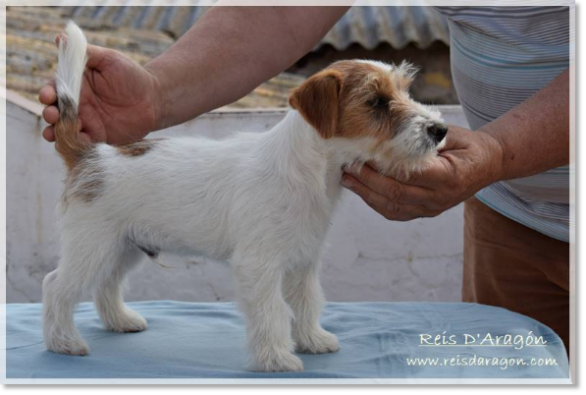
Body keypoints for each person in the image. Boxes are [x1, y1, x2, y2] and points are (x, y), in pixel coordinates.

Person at [39, 6, 571, 350]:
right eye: (384, 106)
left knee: (301, 261)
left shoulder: (310, 179)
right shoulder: (272, 175)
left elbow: (299, 264)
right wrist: (157, 89)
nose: (422, 120)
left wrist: (500, 148)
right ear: (321, 115)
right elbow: (255, 266)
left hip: (537, 189)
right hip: (512, 212)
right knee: (98, 260)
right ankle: (62, 312)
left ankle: (305, 327)